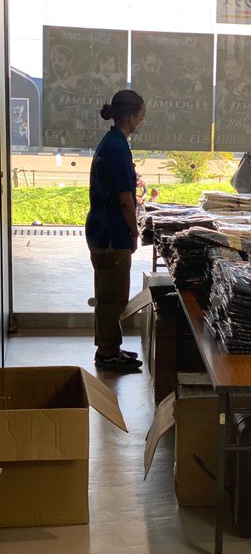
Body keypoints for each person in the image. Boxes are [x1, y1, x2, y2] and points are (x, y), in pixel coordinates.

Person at [86, 89, 146, 372]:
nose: (143, 120)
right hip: (112, 234)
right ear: (131, 117)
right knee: (113, 296)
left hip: (101, 229)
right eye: (142, 114)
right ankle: (108, 353)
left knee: (107, 293)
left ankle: (109, 348)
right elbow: (125, 199)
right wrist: (135, 232)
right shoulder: (117, 148)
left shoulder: (110, 142)